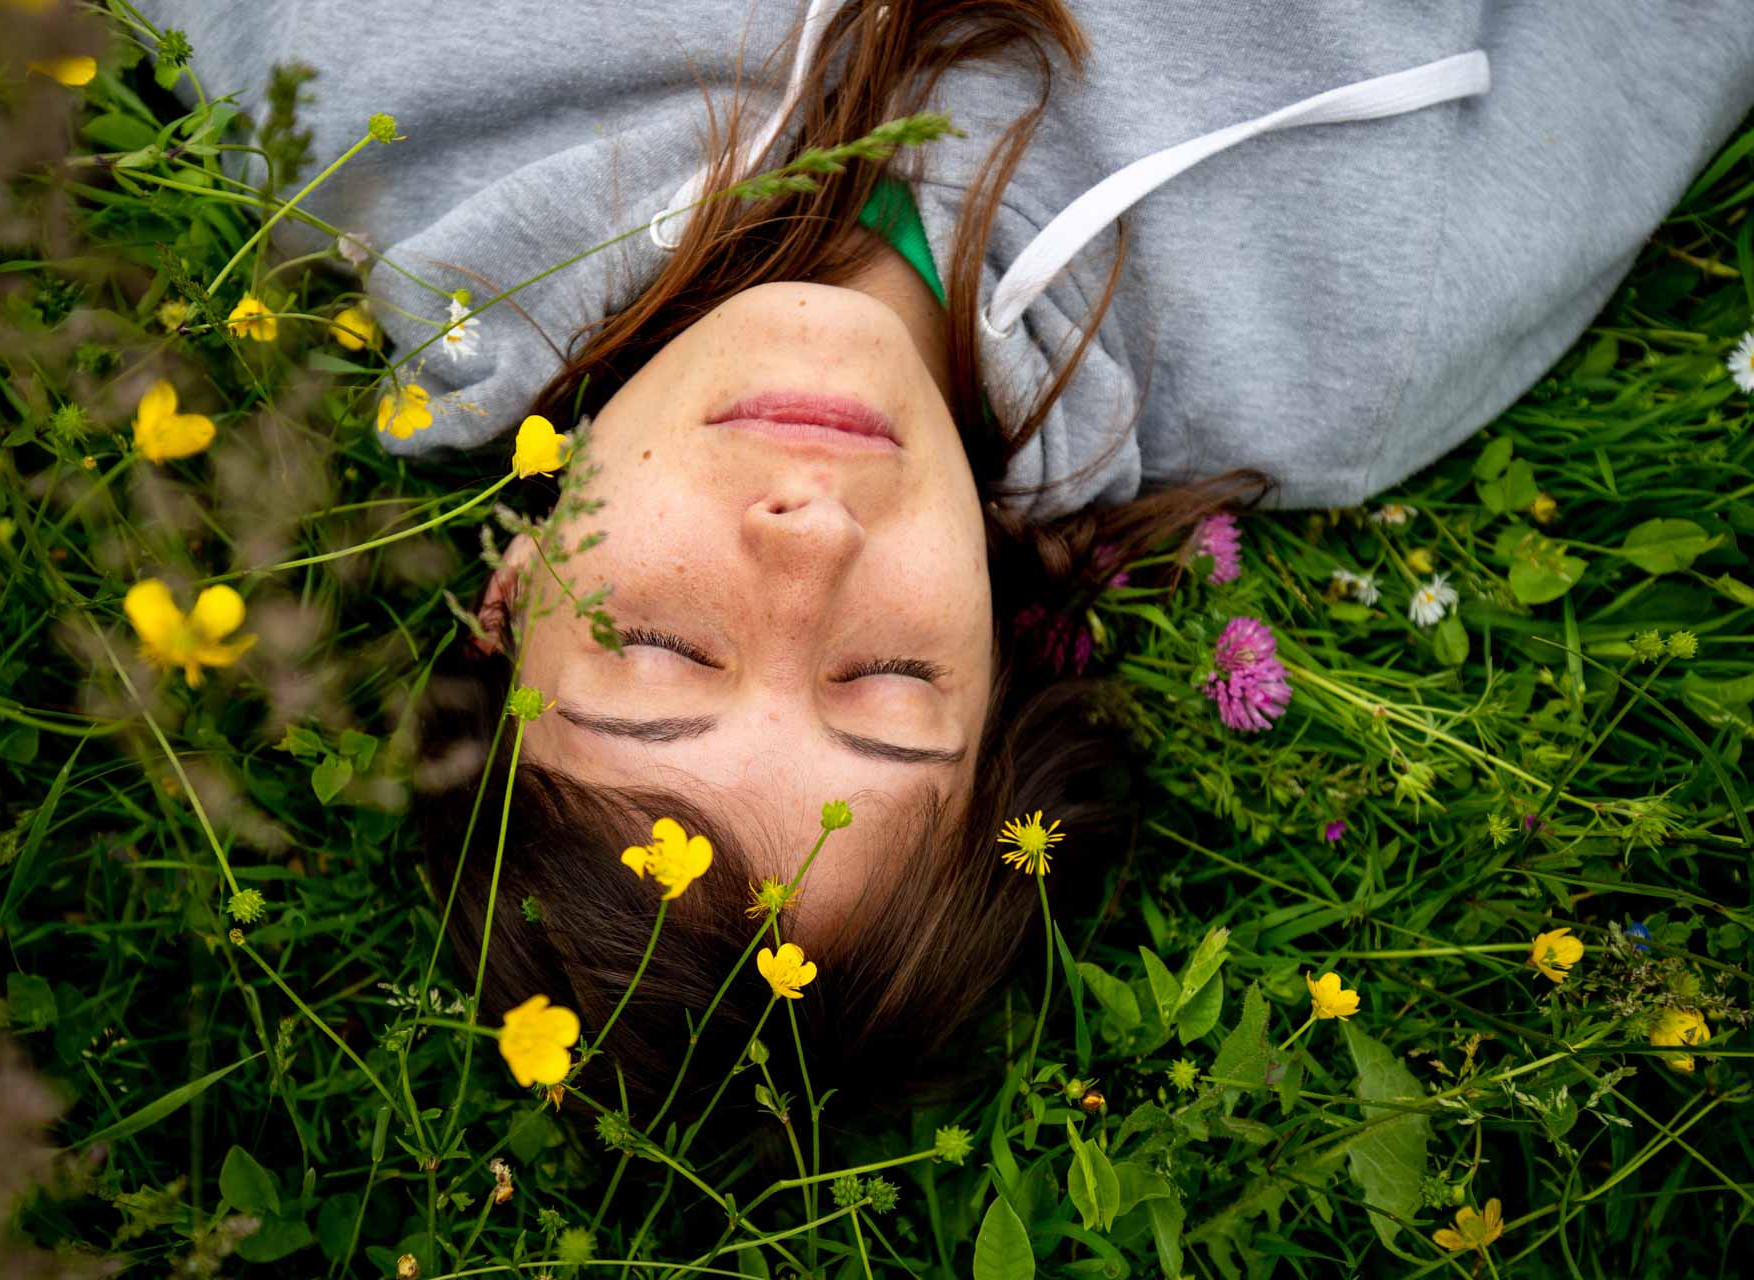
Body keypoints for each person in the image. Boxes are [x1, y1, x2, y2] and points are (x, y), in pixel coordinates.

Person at [139, 0, 1754, 1114]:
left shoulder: (338, 120)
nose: (806, 542)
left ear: (500, 608)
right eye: (890, 679)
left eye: (662, 653)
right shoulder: (1351, 338)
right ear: (996, 664)